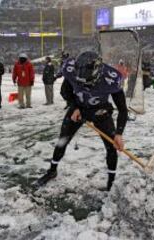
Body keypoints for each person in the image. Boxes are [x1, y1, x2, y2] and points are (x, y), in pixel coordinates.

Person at [36, 51, 128, 191]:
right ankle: (52, 170)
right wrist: (74, 107)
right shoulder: (71, 70)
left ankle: (111, 182)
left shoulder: (111, 78)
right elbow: (65, 92)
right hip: (78, 108)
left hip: (100, 111)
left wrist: (119, 133)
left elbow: (122, 109)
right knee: (62, 140)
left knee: (111, 146)